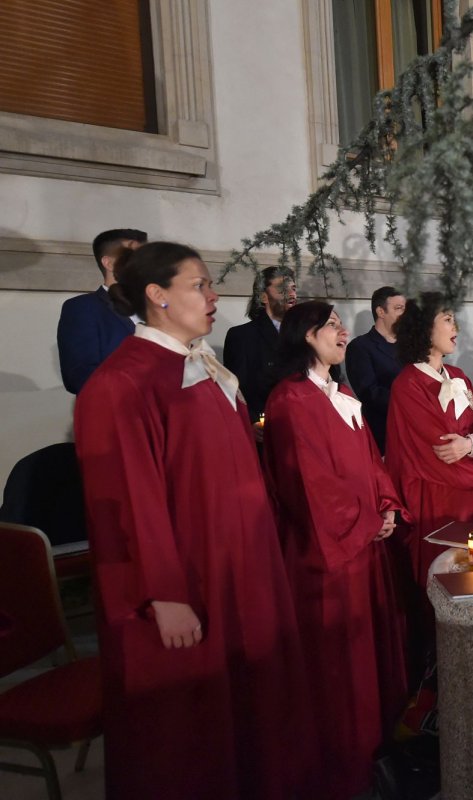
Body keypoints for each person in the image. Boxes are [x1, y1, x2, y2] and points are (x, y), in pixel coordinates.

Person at [74, 242, 312, 798]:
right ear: (157, 296)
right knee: (187, 737)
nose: (214, 295)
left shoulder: (199, 368)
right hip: (187, 579)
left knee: (249, 712)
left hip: (236, 564)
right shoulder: (122, 382)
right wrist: (165, 594)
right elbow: (130, 500)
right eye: (200, 285)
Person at [262, 301, 407, 799]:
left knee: (369, 655)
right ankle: (342, 755)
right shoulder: (290, 399)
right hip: (328, 556)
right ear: (306, 335)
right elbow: (307, 484)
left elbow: (370, 456)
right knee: (338, 664)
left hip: (365, 543)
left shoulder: (340, 391)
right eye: (331, 325)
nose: (343, 331)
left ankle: (374, 744)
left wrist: (386, 504)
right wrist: (364, 521)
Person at [386, 293, 473, 674]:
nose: (457, 328)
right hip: (440, 504)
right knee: (448, 588)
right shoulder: (408, 385)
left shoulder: (460, 377)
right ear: (425, 329)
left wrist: (471, 444)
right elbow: (435, 453)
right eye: (448, 320)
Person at [57, 228, 148, 394]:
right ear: (109, 263)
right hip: (117, 412)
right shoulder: (83, 308)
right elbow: (78, 377)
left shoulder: (158, 308)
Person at [223, 265, 297, 425]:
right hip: (268, 428)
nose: (291, 294)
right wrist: (251, 421)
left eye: (293, 288)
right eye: (283, 289)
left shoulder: (305, 334)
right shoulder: (242, 337)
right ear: (264, 297)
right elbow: (236, 390)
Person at [346, 286, 407, 453]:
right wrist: (409, 402)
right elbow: (369, 392)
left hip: (414, 427)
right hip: (384, 431)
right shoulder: (360, 347)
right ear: (381, 311)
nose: (404, 314)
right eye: (398, 308)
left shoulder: (409, 346)